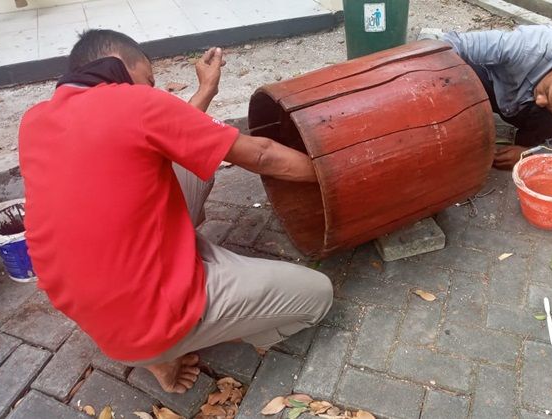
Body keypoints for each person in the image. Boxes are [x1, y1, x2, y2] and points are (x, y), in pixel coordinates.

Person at [18, 30, 333, 394]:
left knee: (194, 161)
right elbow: (261, 154)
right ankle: (174, 346)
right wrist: (336, 170)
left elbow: (175, 131)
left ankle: (161, 335)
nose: (152, 89)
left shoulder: (35, 120)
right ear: (123, 66)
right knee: (317, 295)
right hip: (153, 322)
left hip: (97, 317)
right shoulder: (135, 102)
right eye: (150, 80)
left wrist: (207, 91)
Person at [439, 25, 552, 170]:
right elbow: (456, 43)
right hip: (491, 84)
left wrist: (530, 154)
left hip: (525, 115)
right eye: (547, 92)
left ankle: (521, 146)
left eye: (550, 105)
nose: (540, 102)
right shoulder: (531, 44)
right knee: (457, 71)